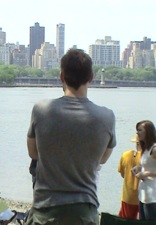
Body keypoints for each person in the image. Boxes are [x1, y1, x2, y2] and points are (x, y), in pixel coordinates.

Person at [25, 48, 116, 225]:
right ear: (91, 77)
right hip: (84, 209)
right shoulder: (107, 116)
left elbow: (33, 153)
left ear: (61, 76)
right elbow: (102, 159)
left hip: (46, 208)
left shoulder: (41, 110)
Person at [134, 120, 156, 221]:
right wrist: (138, 168)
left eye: (140, 130)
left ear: (148, 132)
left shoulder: (154, 149)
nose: (137, 132)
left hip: (153, 196)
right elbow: (149, 165)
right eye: (137, 130)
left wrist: (146, 173)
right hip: (143, 193)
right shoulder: (145, 148)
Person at [118, 135, 142, 219]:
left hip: (128, 196)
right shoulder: (149, 158)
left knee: (125, 221)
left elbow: (122, 174)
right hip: (145, 198)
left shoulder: (125, 155)